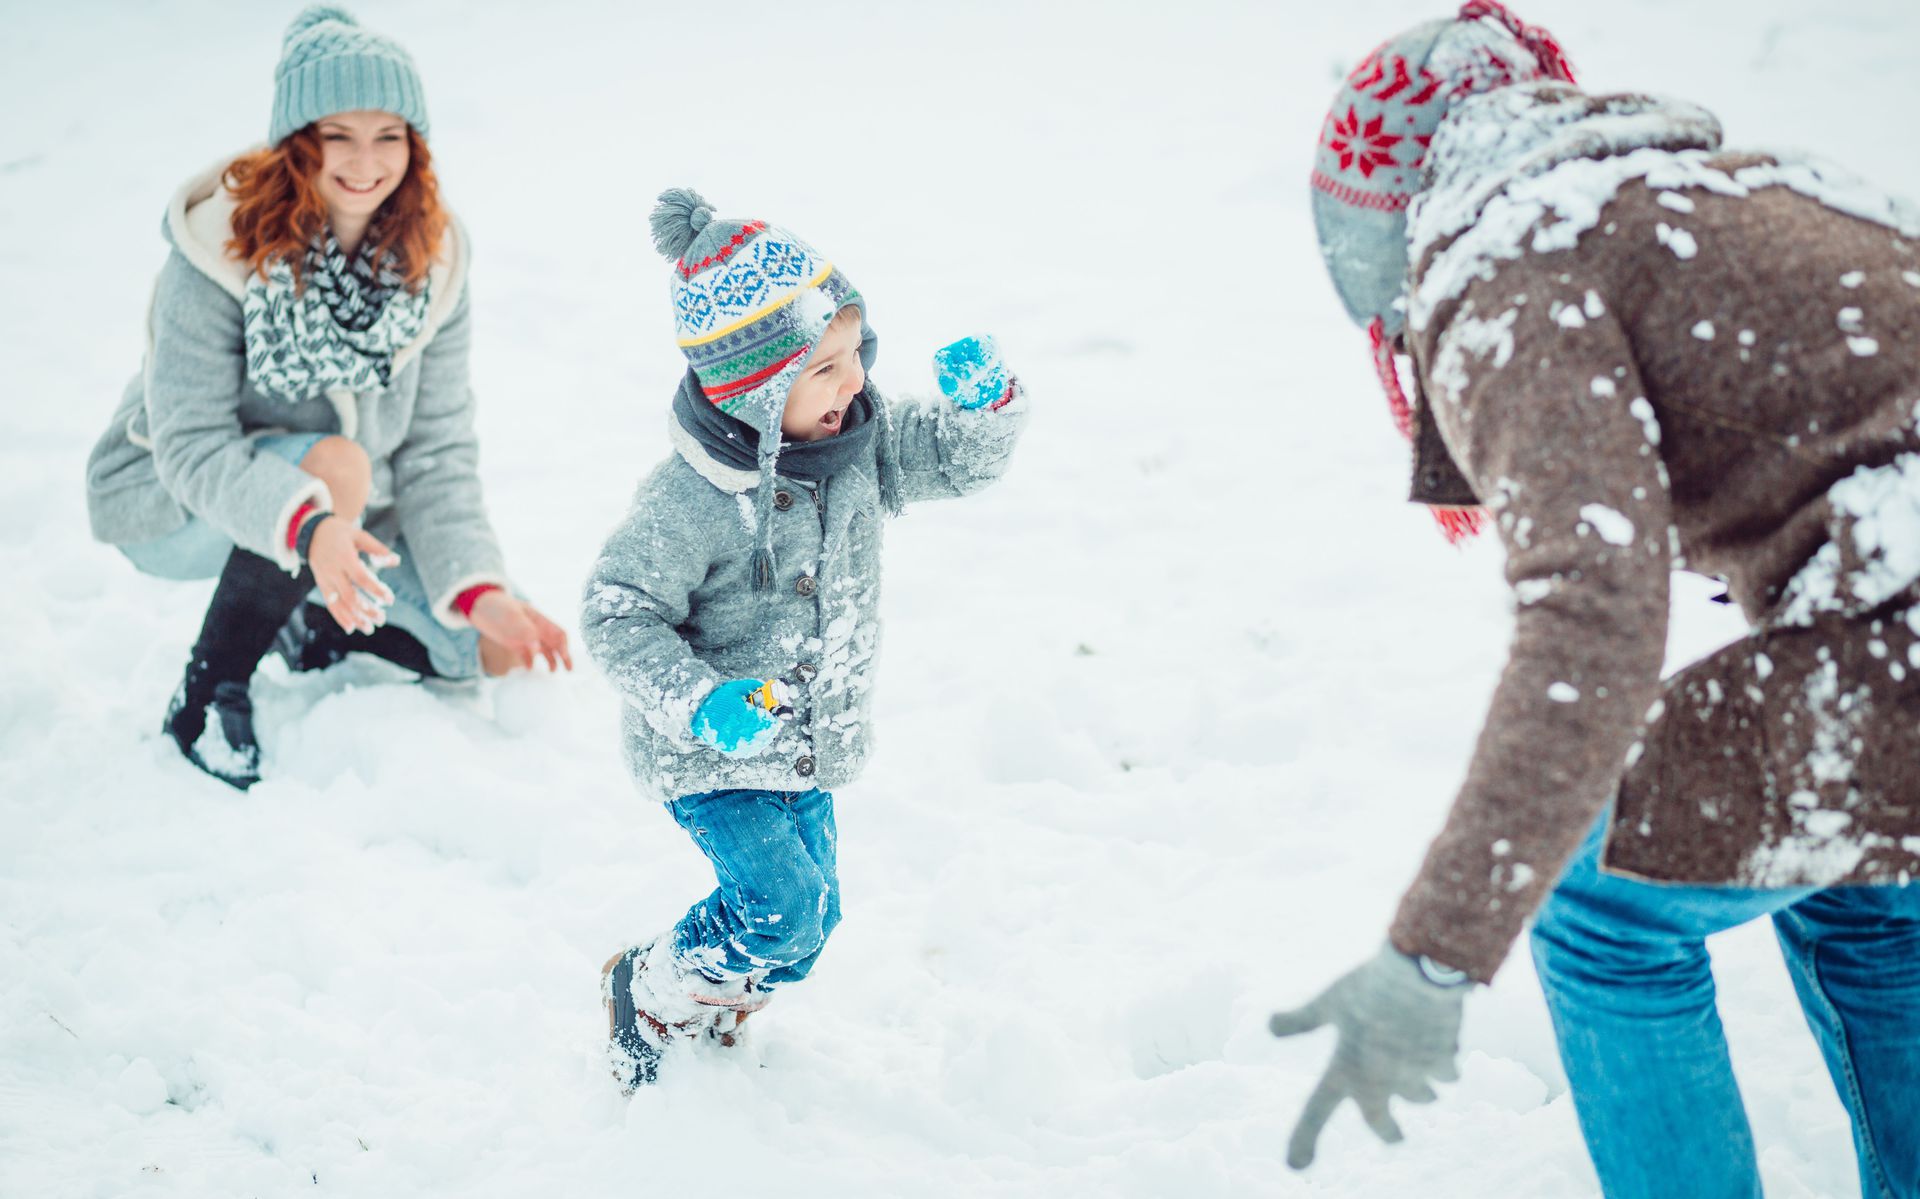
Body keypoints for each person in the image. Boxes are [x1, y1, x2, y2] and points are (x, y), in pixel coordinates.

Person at [1272, 3, 1920, 1193]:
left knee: (1607, 907)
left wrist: (1432, 954)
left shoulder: (1509, 266)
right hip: (1891, 626)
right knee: (1862, 885)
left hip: (1897, 634)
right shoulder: (1752, 190)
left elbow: (1594, 613)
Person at [583, 188, 1028, 1089]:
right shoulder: (689, 500)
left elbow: (946, 458)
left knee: (812, 925)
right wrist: (699, 702)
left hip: (805, 743)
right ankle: (654, 987)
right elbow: (615, 609)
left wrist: (984, 414)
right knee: (780, 910)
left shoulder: (856, 447)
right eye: (821, 370)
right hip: (710, 754)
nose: (853, 383)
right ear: (754, 391)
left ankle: (714, 998)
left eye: (854, 354)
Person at [84, 6, 570, 790]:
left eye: (389, 136)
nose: (365, 162)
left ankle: (303, 624)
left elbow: (437, 452)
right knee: (338, 465)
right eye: (337, 135)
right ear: (297, 143)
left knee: (494, 644)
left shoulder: (434, 265)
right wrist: (310, 528)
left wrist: (478, 586)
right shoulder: (217, 249)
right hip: (174, 500)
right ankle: (208, 695)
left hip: (339, 515)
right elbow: (191, 444)